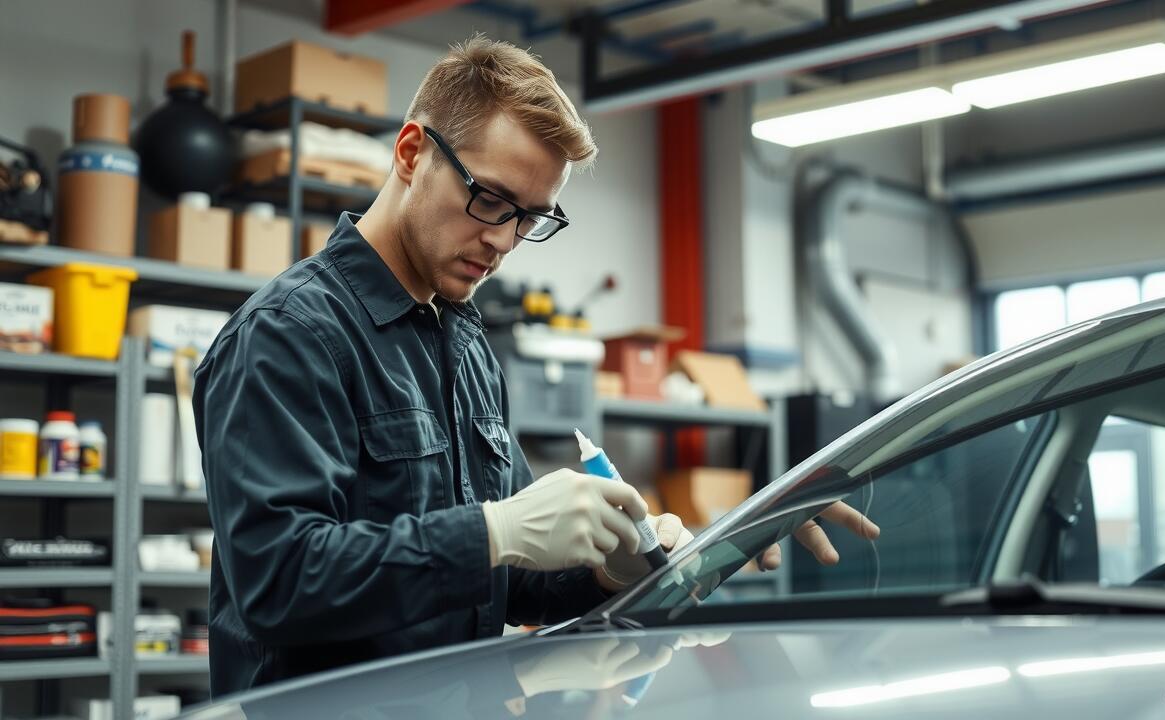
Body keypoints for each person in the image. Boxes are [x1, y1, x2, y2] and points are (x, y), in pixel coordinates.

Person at [193, 35, 878, 698]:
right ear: (410, 153)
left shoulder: (464, 343)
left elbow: (513, 580)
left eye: (530, 218)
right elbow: (277, 585)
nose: (502, 241)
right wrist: (491, 532)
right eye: (488, 199)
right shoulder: (287, 337)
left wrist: (616, 569)